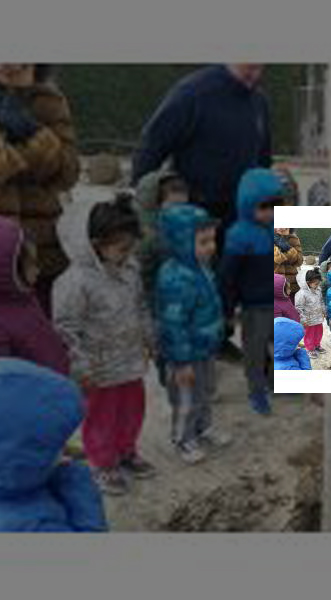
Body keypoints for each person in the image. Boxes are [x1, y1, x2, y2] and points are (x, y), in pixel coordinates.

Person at [132, 64, 273, 363]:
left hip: (239, 214)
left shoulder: (258, 103)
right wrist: (144, 205)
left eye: (260, 64)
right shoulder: (194, 94)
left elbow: (263, 158)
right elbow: (153, 144)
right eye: (248, 63)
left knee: (234, 282)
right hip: (197, 211)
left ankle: (223, 340)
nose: (254, 70)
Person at [53, 192, 157, 496]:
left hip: (130, 359)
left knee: (132, 409)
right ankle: (102, 462)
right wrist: (81, 366)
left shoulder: (130, 269)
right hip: (98, 368)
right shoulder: (75, 282)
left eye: (130, 247)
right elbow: (66, 329)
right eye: (121, 248)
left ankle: (126, 451)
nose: (127, 253)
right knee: (101, 416)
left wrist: (149, 337)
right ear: (96, 244)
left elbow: (140, 306)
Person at [0, 64, 81, 318]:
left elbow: (69, 172)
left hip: (44, 250)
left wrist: (34, 132)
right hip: (1, 247)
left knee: (41, 329)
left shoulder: (50, 99)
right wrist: (36, 149)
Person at [155, 204, 231, 465]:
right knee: (186, 398)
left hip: (204, 346)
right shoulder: (175, 279)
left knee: (205, 392)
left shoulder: (201, 268)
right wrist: (181, 362)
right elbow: (173, 325)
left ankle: (203, 426)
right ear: (181, 242)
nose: (211, 247)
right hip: (186, 355)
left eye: (212, 240)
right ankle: (183, 439)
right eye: (203, 242)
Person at [0, 358, 108, 532]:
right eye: (57, 445)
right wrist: (77, 481)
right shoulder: (34, 526)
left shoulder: (16, 485)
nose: (65, 450)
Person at [219, 168, 279, 416]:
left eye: (274, 206)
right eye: (263, 207)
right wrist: (227, 309)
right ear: (246, 206)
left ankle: (275, 381)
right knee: (254, 351)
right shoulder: (239, 237)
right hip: (253, 306)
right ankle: (257, 391)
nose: (270, 212)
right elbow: (228, 278)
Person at [0, 216, 69, 374]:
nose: (38, 270)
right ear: (7, 269)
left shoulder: (26, 297)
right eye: (31, 264)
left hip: (55, 382)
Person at [134, 170, 190, 308]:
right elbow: (140, 276)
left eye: (183, 207)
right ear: (156, 205)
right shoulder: (147, 237)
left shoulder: (187, 228)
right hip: (155, 300)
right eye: (173, 207)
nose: (179, 212)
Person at [295, 268, 326, 359]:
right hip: (308, 320)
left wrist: (324, 311)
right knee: (309, 334)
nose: (317, 285)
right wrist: (303, 320)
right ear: (308, 282)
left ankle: (317, 345)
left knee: (319, 332)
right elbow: (299, 308)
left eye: (318, 283)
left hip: (318, 317)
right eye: (315, 283)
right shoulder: (301, 294)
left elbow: (321, 301)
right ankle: (309, 348)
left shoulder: (318, 290)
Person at [273, 228, 303, 302]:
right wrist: (288, 254)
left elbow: (299, 261)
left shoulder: (294, 239)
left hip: (292, 284)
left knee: (291, 306)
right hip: (275, 283)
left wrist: (288, 248)